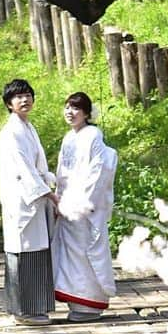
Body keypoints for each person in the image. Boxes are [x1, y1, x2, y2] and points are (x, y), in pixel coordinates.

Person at [52, 92, 118, 321]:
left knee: (85, 252)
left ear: (87, 113)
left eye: (76, 108)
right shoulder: (68, 137)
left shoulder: (93, 135)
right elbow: (62, 172)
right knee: (69, 254)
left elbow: (97, 171)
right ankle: (74, 299)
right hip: (67, 203)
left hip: (84, 205)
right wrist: (58, 198)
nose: (70, 112)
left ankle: (89, 303)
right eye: (67, 107)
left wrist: (83, 202)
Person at [0, 77, 55, 325]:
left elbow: (38, 166)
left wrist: (50, 182)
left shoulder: (28, 128)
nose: (25, 100)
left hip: (35, 199)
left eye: (28, 95)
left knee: (37, 251)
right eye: (18, 97)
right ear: (9, 104)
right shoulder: (11, 133)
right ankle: (23, 311)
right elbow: (24, 170)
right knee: (23, 252)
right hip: (23, 200)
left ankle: (34, 308)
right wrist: (48, 192)